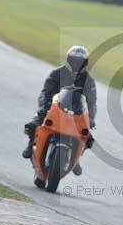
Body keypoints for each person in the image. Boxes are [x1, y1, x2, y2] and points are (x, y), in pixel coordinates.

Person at [22, 46, 97, 176]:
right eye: (74, 60)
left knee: (88, 138)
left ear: (85, 63)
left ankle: (76, 158)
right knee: (32, 125)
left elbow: (92, 102)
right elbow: (45, 93)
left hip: (76, 115)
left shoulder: (88, 80)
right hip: (53, 109)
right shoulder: (57, 73)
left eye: (80, 61)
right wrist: (43, 108)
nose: (77, 64)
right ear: (69, 59)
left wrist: (91, 118)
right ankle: (30, 146)